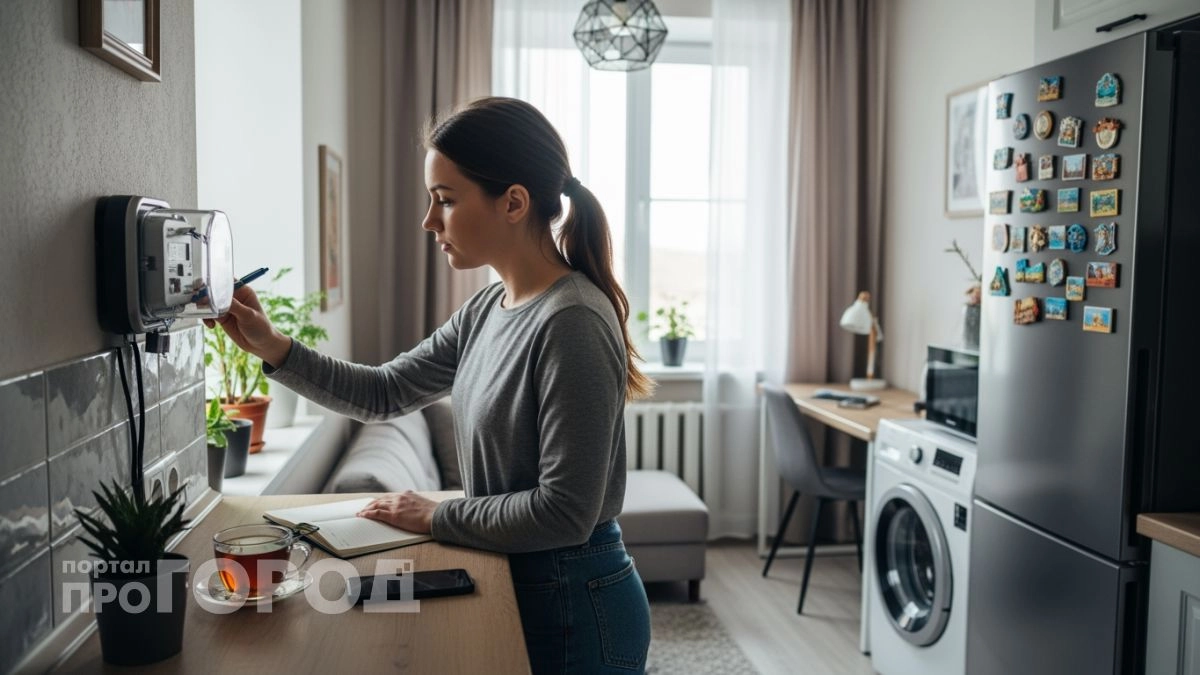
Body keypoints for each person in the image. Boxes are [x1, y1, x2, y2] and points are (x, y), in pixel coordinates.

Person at [206, 96, 654, 673]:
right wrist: (272, 346)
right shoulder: (487, 309)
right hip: (524, 583)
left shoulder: (573, 322)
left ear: (513, 202)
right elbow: (384, 392)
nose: (429, 221)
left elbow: (565, 513)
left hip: (574, 604)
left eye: (445, 199)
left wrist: (436, 515)